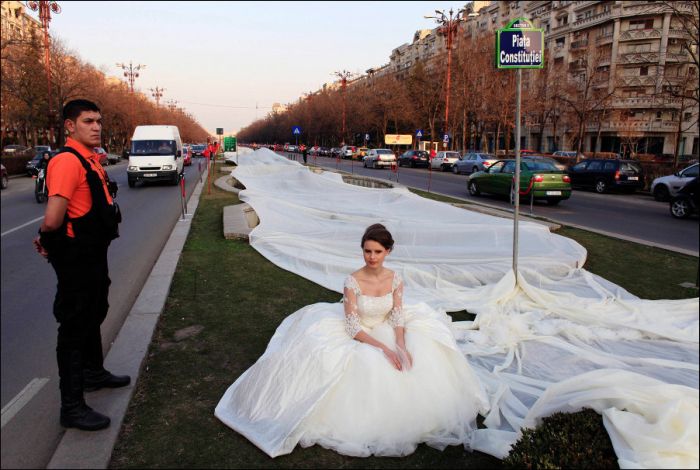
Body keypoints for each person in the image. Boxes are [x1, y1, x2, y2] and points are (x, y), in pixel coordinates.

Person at [215, 223, 488, 458]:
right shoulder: (352, 281)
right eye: (367, 251)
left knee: (420, 356)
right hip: (360, 331)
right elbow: (353, 327)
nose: (371, 257)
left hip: (385, 326)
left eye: (378, 252)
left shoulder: (395, 279)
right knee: (360, 362)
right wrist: (385, 348)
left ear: (388, 252)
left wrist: (400, 345)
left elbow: (397, 315)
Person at [33, 99, 128, 431]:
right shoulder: (67, 161)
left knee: (95, 310)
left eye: (99, 120)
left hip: (92, 254)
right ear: (70, 126)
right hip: (76, 258)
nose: (97, 126)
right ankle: (71, 407)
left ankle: (93, 373)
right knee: (74, 327)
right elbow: (53, 216)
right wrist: (45, 237)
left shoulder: (92, 160)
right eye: (88, 121)